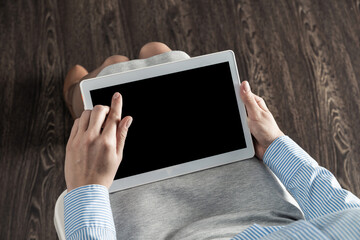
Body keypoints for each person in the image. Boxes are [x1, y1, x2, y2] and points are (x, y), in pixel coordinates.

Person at [62, 42, 360, 239]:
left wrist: (87, 189)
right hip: (261, 212)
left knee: (116, 68)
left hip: (160, 231)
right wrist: (274, 146)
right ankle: (97, 84)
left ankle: (80, 96)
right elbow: (346, 216)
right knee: (162, 53)